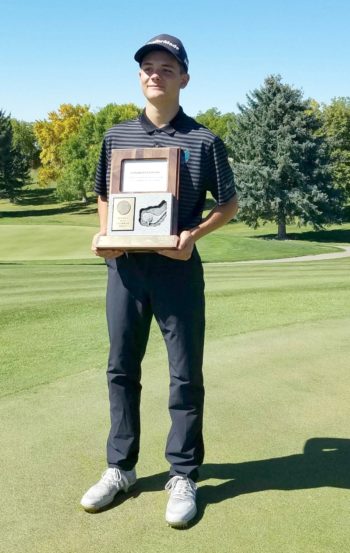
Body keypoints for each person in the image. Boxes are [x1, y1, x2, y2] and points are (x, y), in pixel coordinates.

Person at [80, 33, 238, 527]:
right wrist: (106, 233)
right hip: (125, 268)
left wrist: (195, 234)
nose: (155, 74)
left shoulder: (204, 140)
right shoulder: (115, 136)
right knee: (121, 369)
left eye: (166, 69)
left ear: (183, 79)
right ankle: (121, 468)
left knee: (185, 373)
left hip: (177, 268)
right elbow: (104, 193)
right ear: (139, 76)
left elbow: (229, 203)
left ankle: (183, 473)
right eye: (148, 67)